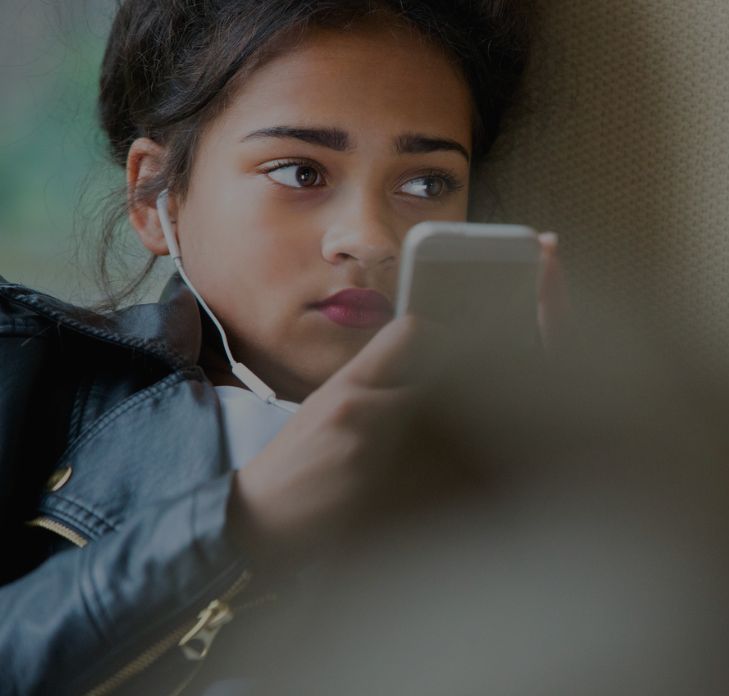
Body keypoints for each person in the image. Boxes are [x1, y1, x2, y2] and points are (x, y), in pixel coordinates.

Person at [0, 1, 559, 693]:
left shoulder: (523, 457)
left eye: (425, 184)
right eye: (300, 172)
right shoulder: (27, 370)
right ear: (155, 195)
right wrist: (243, 518)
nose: (371, 238)